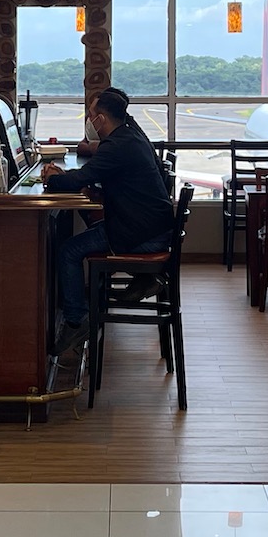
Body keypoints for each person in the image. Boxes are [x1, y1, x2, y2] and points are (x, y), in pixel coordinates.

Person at [42, 88, 177, 367]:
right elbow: (124, 183)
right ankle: (128, 285)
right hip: (152, 226)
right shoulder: (131, 134)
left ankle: (75, 321)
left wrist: (54, 178)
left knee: (68, 251)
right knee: (80, 237)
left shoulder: (116, 146)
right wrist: (99, 193)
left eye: (91, 115)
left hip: (141, 233)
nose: (89, 121)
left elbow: (81, 176)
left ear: (101, 119)